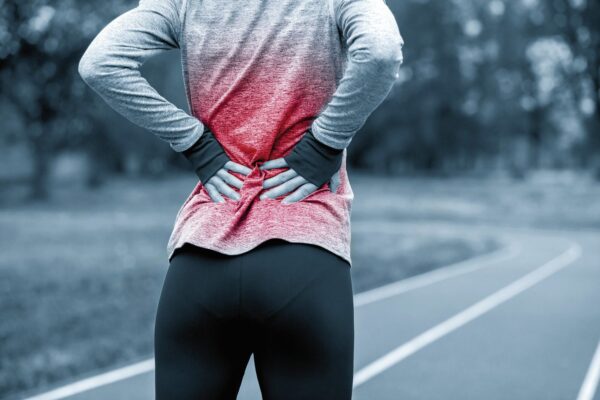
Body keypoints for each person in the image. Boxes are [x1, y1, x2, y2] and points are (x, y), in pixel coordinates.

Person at [78, 0, 404, 397]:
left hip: (200, 262)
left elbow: (100, 62)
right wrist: (325, 143)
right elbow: (381, 51)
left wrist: (192, 140)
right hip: (305, 254)